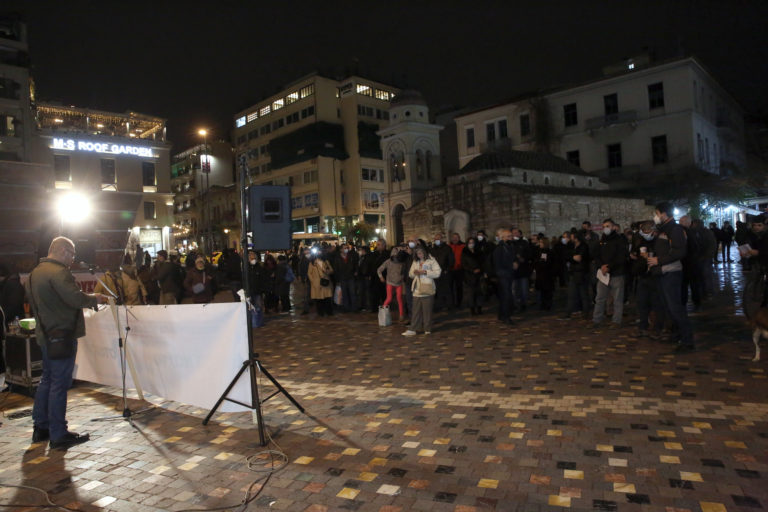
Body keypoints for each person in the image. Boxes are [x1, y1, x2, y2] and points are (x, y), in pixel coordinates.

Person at [27, 237, 109, 449]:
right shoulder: (59, 272)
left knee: (47, 380)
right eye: (72, 254)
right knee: (59, 384)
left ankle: (41, 427)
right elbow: (74, 298)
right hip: (61, 335)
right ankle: (58, 433)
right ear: (63, 251)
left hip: (45, 334)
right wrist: (95, 298)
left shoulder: (36, 272)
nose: (73, 259)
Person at [647, 202, 694, 351]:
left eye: (657, 213)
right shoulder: (663, 230)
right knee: (668, 307)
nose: (655, 216)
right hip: (661, 272)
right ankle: (677, 334)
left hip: (671, 273)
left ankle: (687, 341)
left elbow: (679, 252)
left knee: (675, 308)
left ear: (664, 214)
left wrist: (658, 260)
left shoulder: (675, 230)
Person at [630, 221, 666, 339]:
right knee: (642, 303)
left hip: (655, 276)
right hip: (643, 275)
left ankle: (658, 328)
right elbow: (635, 252)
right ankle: (643, 327)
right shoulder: (640, 240)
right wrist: (635, 255)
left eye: (647, 230)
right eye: (643, 230)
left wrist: (652, 256)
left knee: (657, 303)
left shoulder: (660, 241)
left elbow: (664, 255)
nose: (644, 232)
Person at [592, 218, 628, 328]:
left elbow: (621, 257)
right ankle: (597, 319)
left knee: (617, 299)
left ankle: (616, 321)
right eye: (604, 226)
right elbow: (596, 255)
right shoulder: (602, 240)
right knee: (600, 298)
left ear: (613, 227)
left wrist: (609, 266)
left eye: (607, 226)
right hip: (603, 274)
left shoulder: (619, 240)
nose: (605, 228)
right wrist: (601, 265)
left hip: (616, 273)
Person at [403, 246, 441, 336]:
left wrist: (426, 272)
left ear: (424, 252)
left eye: (420, 253)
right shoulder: (415, 261)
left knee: (427, 310)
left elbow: (438, 272)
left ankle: (427, 328)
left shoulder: (431, 260)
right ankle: (413, 328)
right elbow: (410, 274)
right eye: (417, 253)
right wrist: (414, 273)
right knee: (415, 310)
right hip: (417, 288)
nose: (419, 255)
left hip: (427, 288)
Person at [562, 232, 591, 320]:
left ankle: (585, 313)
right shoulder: (571, 246)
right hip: (573, 272)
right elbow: (566, 255)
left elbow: (579, 258)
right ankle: (568, 313)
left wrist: (572, 257)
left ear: (576, 238)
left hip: (582, 273)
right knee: (571, 294)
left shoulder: (583, 246)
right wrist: (572, 257)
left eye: (571, 237)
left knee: (583, 294)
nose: (570, 239)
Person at [493, 229, 517, 325]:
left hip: (509, 273)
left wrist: (515, 262)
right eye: (508, 236)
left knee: (504, 295)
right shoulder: (499, 248)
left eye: (511, 236)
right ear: (503, 238)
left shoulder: (510, 246)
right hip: (503, 274)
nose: (511, 238)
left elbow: (513, 258)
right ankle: (506, 316)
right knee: (507, 295)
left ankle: (502, 314)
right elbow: (498, 263)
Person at [377, 247, 407, 322]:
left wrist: (403, 278)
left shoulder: (402, 262)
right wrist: (381, 277)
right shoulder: (388, 261)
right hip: (390, 282)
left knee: (399, 299)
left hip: (399, 283)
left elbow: (404, 272)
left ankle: (401, 315)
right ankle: (383, 314)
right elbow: (379, 269)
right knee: (389, 298)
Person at [429, 233, 454, 312]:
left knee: (447, 290)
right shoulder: (432, 249)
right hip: (436, 273)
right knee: (438, 290)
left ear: (442, 239)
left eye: (438, 239)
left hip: (445, 272)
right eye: (436, 239)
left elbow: (451, 260)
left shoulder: (447, 248)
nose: (437, 241)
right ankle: (440, 305)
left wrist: (448, 269)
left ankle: (449, 305)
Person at [462, 237, 485, 315]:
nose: (471, 244)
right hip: (469, 275)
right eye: (470, 243)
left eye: (472, 242)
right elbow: (464, 264)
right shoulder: (465, 252)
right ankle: (472, 309)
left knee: (479, 292)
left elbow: (483, 262)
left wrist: (480, 269)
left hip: (479, 275)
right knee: (471, 293)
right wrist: (472, 270)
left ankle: (479, 308)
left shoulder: (479, 252)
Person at [307, 250, 334, 316]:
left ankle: (329, 312)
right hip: (317, 283)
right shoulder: (312, 263)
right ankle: (320, 312)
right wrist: (313, 281)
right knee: (319, 299)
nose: (319, 253)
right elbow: (309, 273)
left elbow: (331, 270)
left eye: (320, 251)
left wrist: (328, 271)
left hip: (325, 281)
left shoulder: (326, 261)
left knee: (327, 298)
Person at [534, 237, 556, 311]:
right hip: (542, 275)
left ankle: (547, 305)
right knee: (543, 292)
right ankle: (544, 305)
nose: (539, 243)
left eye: (541, 242)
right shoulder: (540, 251)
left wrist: (538, 263)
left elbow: (544, 263)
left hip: (546, 275)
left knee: (547, 292)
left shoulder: (545, 252)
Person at [448, 232, 466, 309]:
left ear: (459, 238)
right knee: (450, 287)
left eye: (456, 237)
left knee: (459, 287)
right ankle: (451, 302)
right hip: (450, 270)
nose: (455, 239)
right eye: (454, 237)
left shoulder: (463, 246)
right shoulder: (448, 246)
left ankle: (459, 302)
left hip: (459, 269)